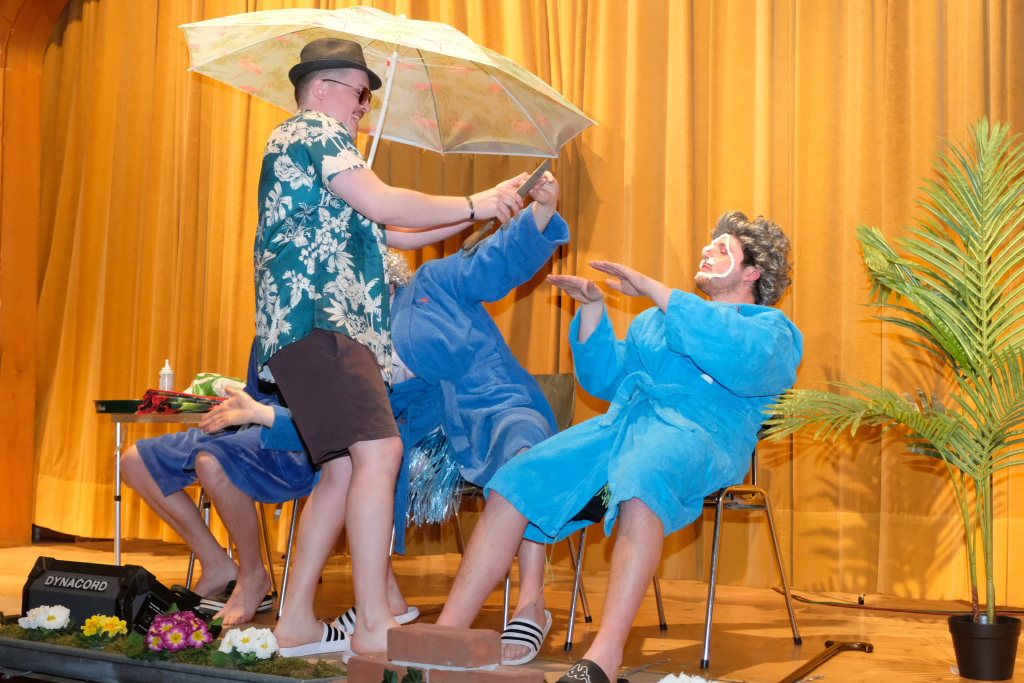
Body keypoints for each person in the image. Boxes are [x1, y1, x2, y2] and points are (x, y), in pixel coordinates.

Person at [435, 212, 803, 683]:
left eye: (722, 249)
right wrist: (592, 309)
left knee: (642, 480)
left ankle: (604, 657)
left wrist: (654, 289)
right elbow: (607, 378)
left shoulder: (772, 330)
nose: (707, 252)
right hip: (625, 430)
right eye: (709, 245)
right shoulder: (656, 322)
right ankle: (442, 637)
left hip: (704, 437)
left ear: (752, 272)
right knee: (515, 482)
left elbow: (738, 357)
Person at [254, 37, 528, 656]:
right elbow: (382, 201)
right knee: (381, 451)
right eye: (359, 93)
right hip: (321, 320)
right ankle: (375, 623)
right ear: (322, 88)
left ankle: (296, 622)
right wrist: (474, 201)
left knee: (343, 469)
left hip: (311, 329)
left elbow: (397, 231)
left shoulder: (326, 159)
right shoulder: (313, 130)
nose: (363, 107)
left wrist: (487, 207)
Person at [238, 173, 567, 663]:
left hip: (491, 406)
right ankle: (381, 605)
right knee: (346, 470)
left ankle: (526, 605)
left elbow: (494, 263)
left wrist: (540, 213)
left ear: (384, 278)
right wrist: (264, 414)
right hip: (419, 440)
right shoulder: (351, 340)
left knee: (521, 456)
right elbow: (340, 421)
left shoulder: (435, 283)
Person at [119, 340, 316, 626]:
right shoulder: (267, 326)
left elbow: (325, 415)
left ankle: (252, 574)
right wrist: (232, 407)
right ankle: (216, 564)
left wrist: (257, 413)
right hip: (247, 425)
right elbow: (257, 393)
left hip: (295, 435)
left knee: (212, 462)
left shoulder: (324, 326)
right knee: (134, 462)